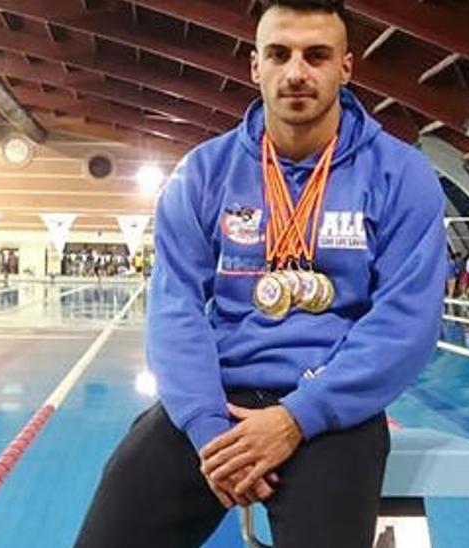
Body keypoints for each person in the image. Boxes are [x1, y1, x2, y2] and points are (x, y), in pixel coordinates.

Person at [74, 2, 446, 546]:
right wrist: (208, 430)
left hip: (330, 415)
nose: (297, 72)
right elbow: (175, 308)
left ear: (346, 67)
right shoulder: (203, 172)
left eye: (316, 55)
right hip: (217, 403)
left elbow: (405, 323)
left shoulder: (401, 174)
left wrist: (298, 417)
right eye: (279, 54)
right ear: (255, 66)